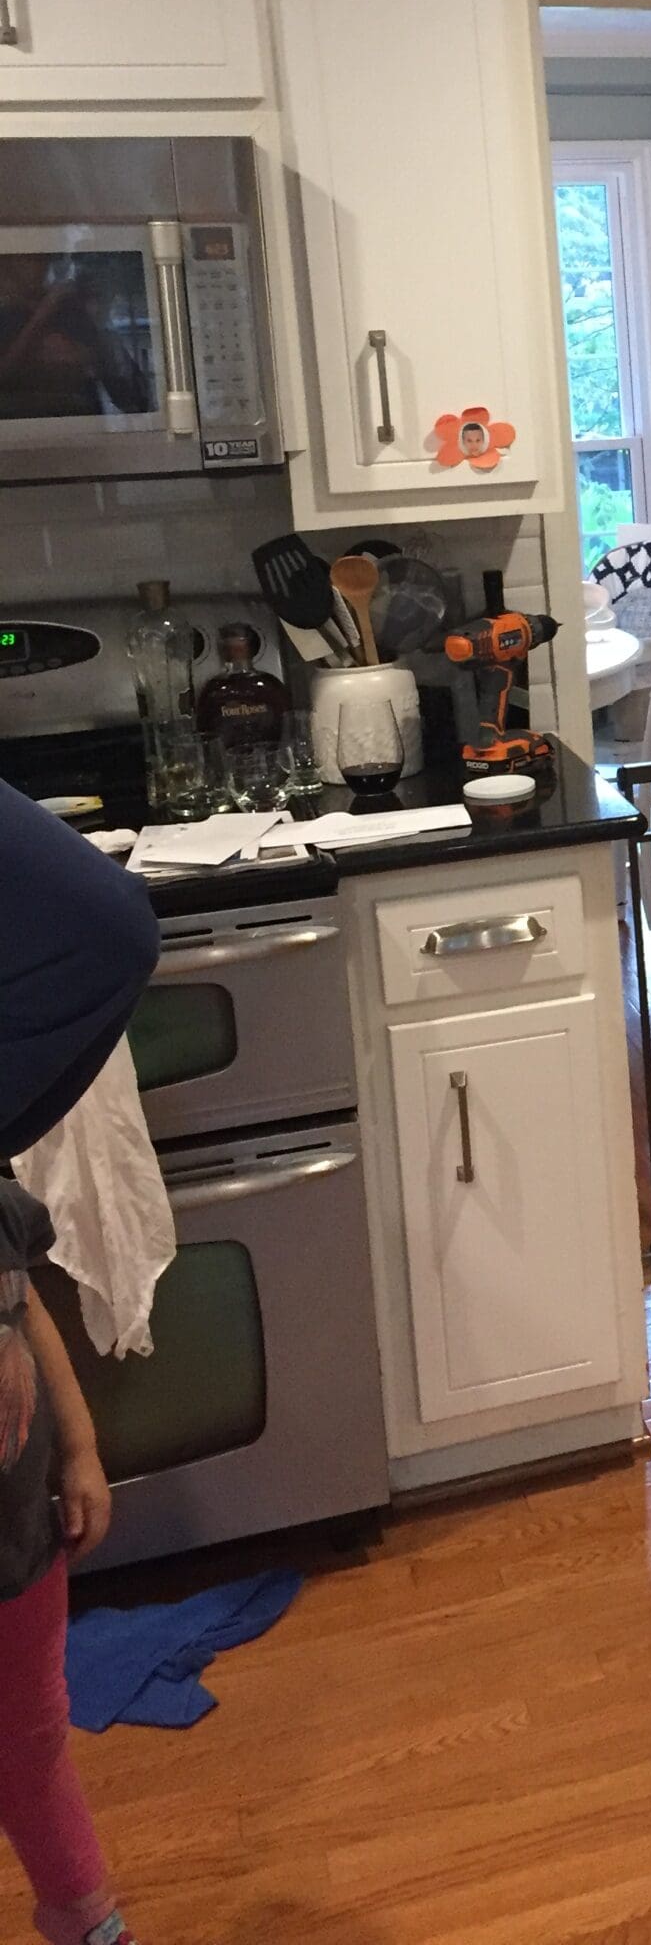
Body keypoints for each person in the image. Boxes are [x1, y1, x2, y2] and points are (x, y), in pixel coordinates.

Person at [0, 784, 159, 1945]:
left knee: (32, 1730)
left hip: (13, 1519)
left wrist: (82, 1444)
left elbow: (21, 1293)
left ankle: (81, 1912)